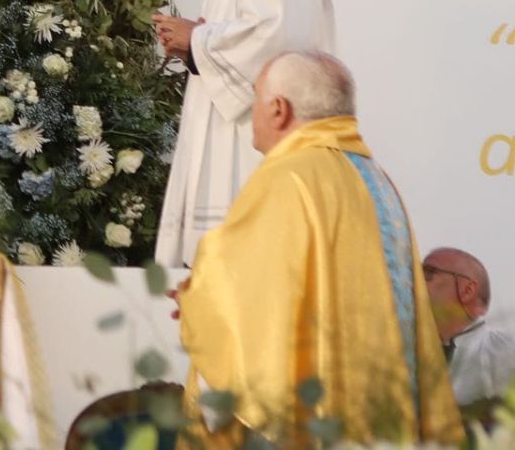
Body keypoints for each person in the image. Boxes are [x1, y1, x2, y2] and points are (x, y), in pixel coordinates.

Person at [175, 51, 462, 446]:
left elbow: (240, 297)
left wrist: (197, 298)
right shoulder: (377, 181)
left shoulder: (287, 176)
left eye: (255, 98)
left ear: (278, 109)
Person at [153, 0, 335, 267]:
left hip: (249, 147)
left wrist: (196, 39)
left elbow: (280, 42)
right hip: (223, 131)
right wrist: (198, 41)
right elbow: (250, 35)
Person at [423, 246, 515, 412]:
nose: (414, 282)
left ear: (467, 290)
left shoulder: (507, 351)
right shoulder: (397, 350)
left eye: (428, 274)